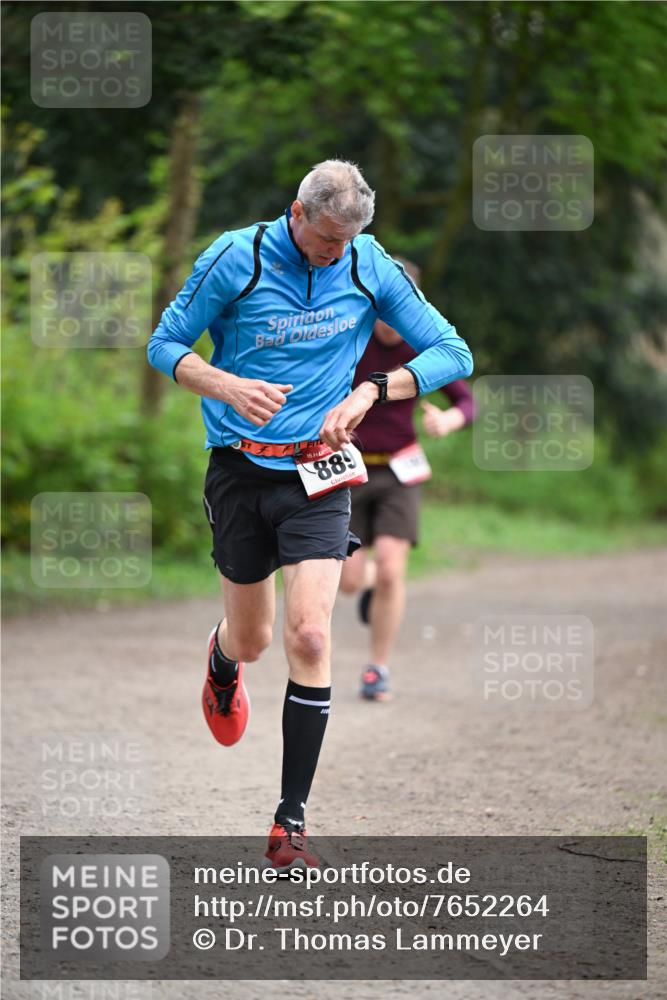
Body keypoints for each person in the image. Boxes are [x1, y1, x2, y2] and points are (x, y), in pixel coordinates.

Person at [147, 159, 473, 868]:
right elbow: (164, 345)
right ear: (296, 212)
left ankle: (289, 822)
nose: (333, 255)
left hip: (320, 474)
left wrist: (373, 391)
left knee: (312, 636)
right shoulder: (235, 257)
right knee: (256, 638)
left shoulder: (367, 264)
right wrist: (225, 383)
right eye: (324, 241)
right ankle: (223, 660)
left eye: (344, 243)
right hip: (238, 466)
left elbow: (453, 351)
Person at [339, 259, 476, 702]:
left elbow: (465, 401)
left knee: (395, 571)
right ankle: (371, 582)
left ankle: (377, 668)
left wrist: (449, 421)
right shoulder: (350, 337)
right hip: (349, 470)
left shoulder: (424, 346)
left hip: (400, 469)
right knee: (348, 580)